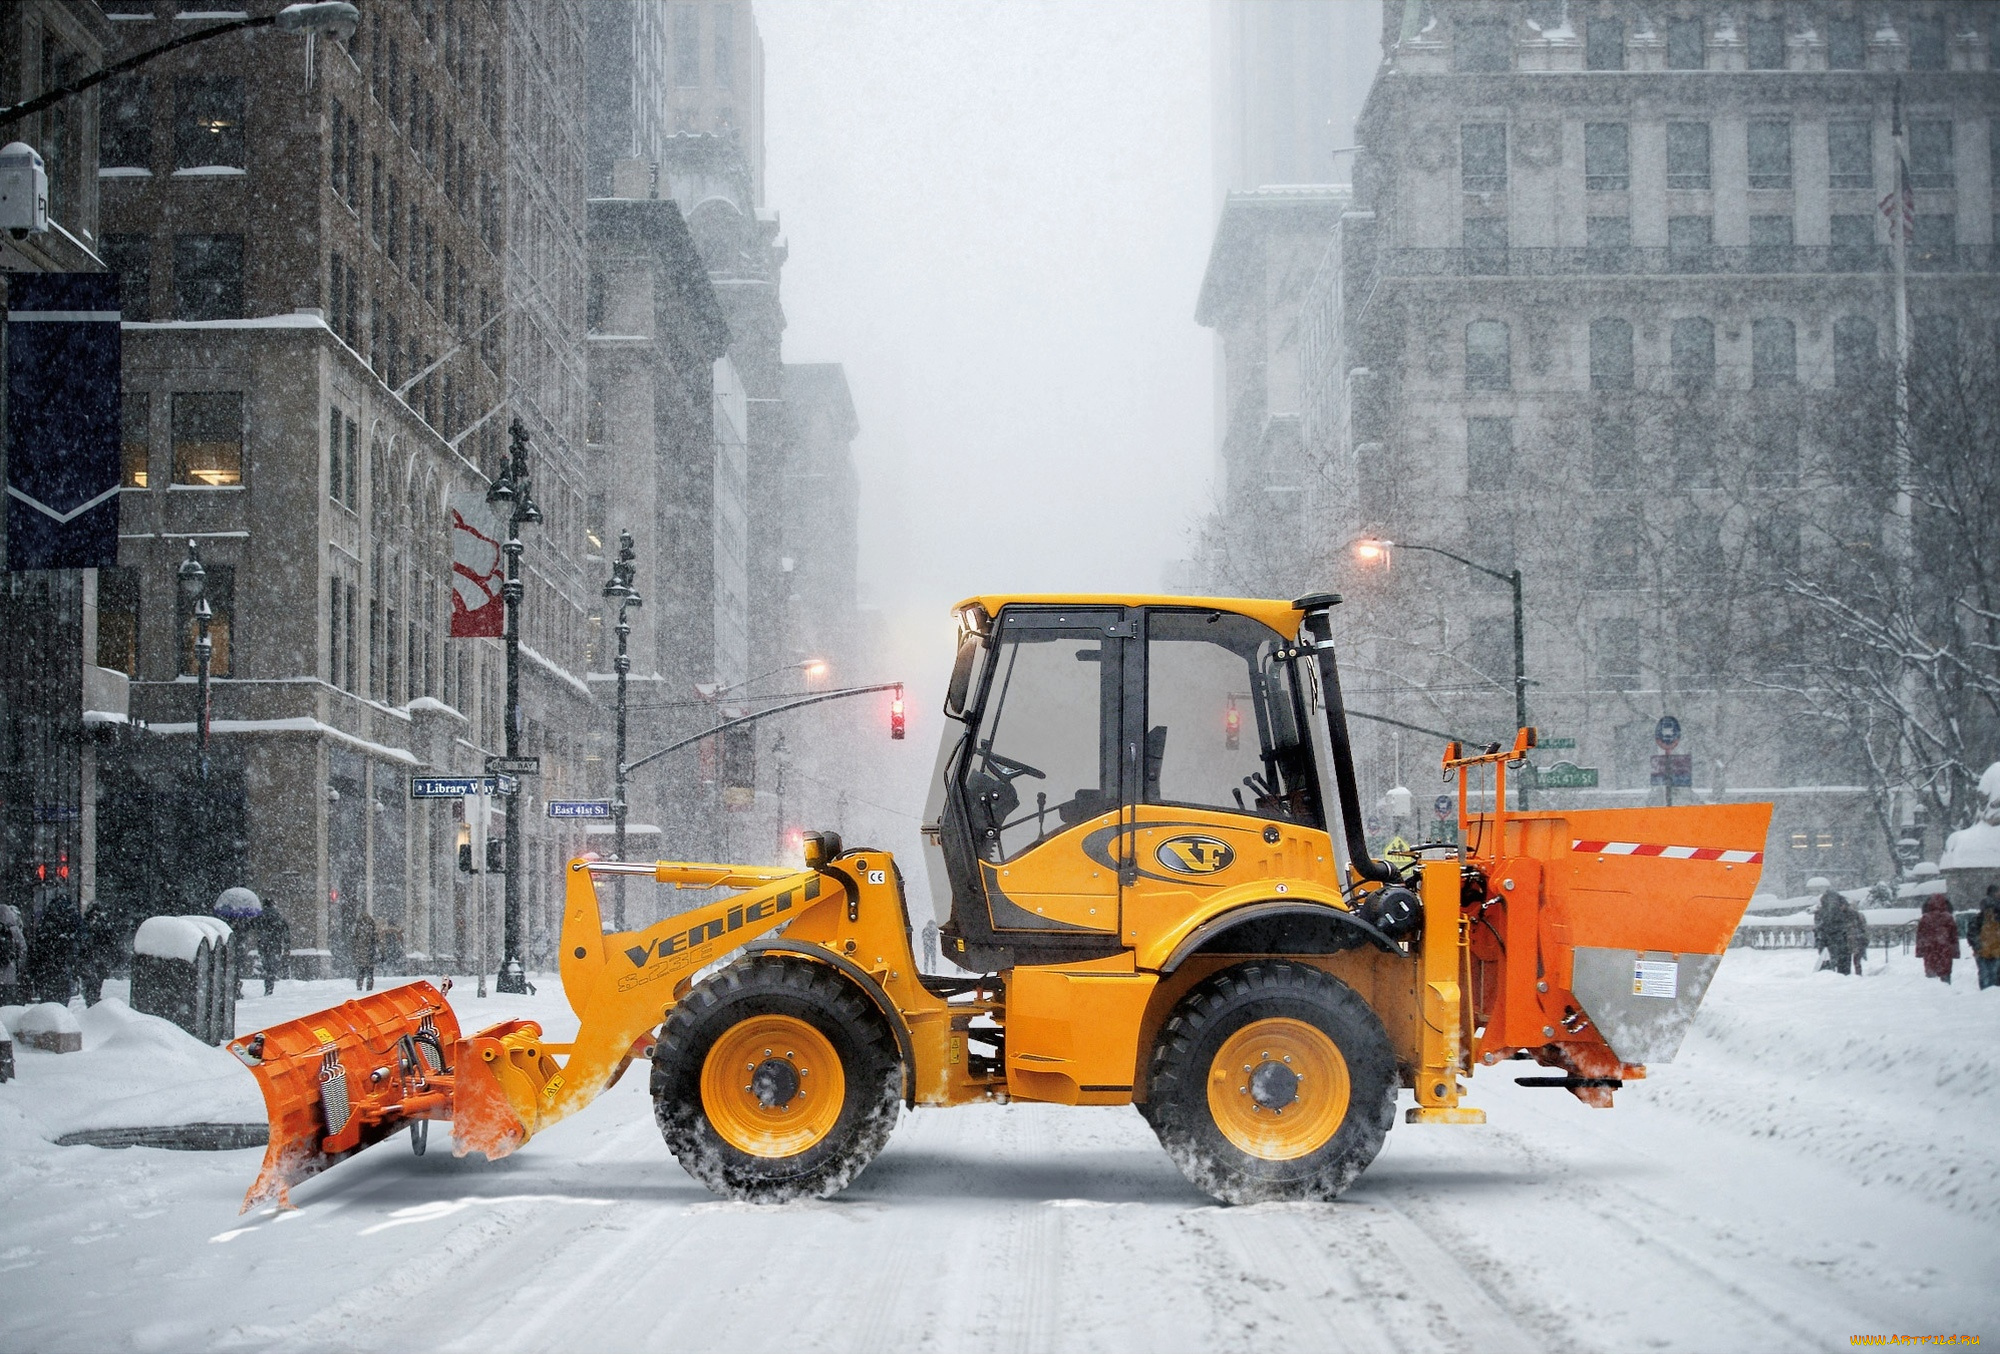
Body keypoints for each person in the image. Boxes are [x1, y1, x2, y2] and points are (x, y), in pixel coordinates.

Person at [1813, 885, 1861, 976]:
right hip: (1843, 941)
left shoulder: (1822, 913)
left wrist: (1821, 943)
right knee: (1844, 965)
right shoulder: (1846, 913)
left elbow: (1819, 929)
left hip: (1831, 941)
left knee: (1831, 964)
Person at [1914, 895, 1961, 984]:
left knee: (1931, 979)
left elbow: (1920, 937)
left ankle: (1933, 994)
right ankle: (1946, 991)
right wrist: (1955, 953)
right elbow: (1954, 937)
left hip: (1930, 952)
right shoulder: (1948, 918)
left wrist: (1920, 952)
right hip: (1945, 952)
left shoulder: (1925, 919)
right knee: (1945, 975)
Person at [257, 903, 292, 996]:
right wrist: (287, 946)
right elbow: (286, 932)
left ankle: (267, 982)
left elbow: (253, 926)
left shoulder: (260, 916)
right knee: (272, 966)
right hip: (275, 945)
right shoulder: (278, 917)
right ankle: (270, 985)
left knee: (266, 965)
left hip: (263, 945)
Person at [1975, 887, 2000, 992]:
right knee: (1993, 976)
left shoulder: (1979, 918)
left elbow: (1972, 933)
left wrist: (1977, 946)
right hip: (1995, 950)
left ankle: (1986, 995)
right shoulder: (1995, 915)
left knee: (1986, 977)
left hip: (1984, 951)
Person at [0, 902, 25, 1005]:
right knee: (8, 1003)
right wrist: (19, 967)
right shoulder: (14, 930)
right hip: (10, 972)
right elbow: (23, 949)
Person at [351, 907, 378, 992]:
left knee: (360, 972)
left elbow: (353, 941)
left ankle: (359, 987)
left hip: (360, 954)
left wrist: (355, 951)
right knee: (370, 973)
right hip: (370, 954)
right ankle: (369, 989)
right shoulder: (371, 927)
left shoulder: (357, 927)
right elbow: (375, 940)